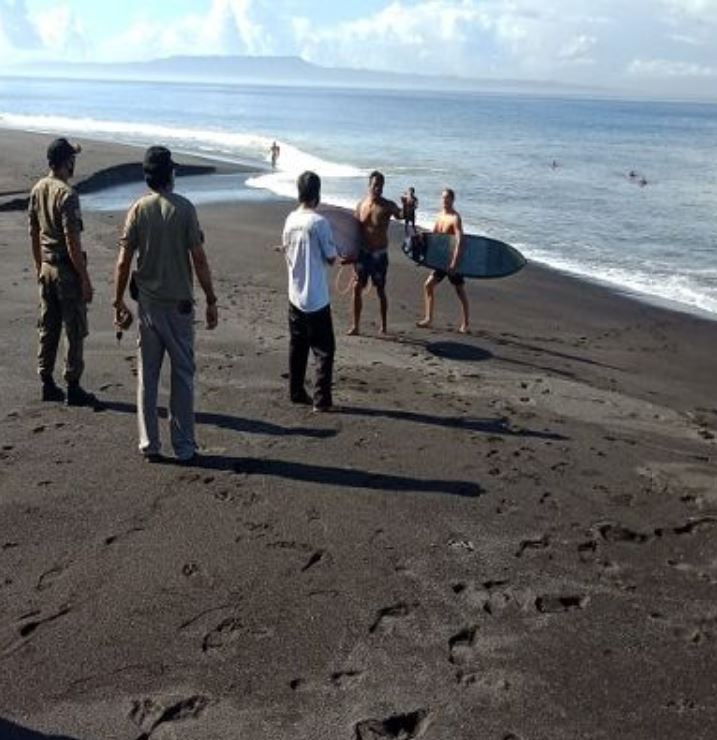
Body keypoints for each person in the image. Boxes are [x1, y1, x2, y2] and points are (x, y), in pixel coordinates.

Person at [113, 146, 218, 463]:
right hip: (179, 306)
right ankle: (184, 445)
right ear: (170, 174)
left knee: (148, 375)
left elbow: (123, 261)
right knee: (182, 376)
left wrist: (117, 300)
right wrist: (211, 298)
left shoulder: (138, 209)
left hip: (148, 306)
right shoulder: (185, 209)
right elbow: (198, 259)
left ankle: (150, 443)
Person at [29, 137, 99, 406]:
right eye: (73, 160)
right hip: (66, 271)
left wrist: (38, 266)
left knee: (48, 326)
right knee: (75, 329)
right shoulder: (67, 195)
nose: (74, 164)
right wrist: (85, 278)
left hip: (46, 266)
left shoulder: (38, 188)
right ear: (66, 162)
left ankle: (46, 380)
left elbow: (33, 232)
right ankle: (73, 385)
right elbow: (72, 240)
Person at [281, 171, 338, 411]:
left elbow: (286, 248)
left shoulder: (290, 219)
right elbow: (332, 256)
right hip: (315, 297)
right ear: (317, 194)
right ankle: (321, 400)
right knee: (325, 349)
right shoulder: (319, 222)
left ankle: (296, 391)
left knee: (298, 345)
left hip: (295, 294)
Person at [348, 171, 403, 335]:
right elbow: (353, 231)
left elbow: (401, 215)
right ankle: (356, 326)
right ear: (369, 185)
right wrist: (349, 252)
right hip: (363, 254)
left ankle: (384, 326)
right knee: (357, 287)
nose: (378, 188)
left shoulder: (387, 205)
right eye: (375, 185)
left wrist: (408, 206)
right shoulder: (361, 205)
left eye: (381, 185)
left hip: (379, 255)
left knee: (380, 290)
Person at [416, 188, 470, 333]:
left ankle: (465, 323)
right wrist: (423, 238)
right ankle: (428, 319)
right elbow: (434, 236)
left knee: (459, 291)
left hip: (453, 262)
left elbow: (460, 241)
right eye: (443, 198)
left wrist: (454, 263)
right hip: (441, 261)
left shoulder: (455, 218)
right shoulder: (440, 216)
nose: (445, 201)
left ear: (453, 200)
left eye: (447, 198)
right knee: (428, 285)